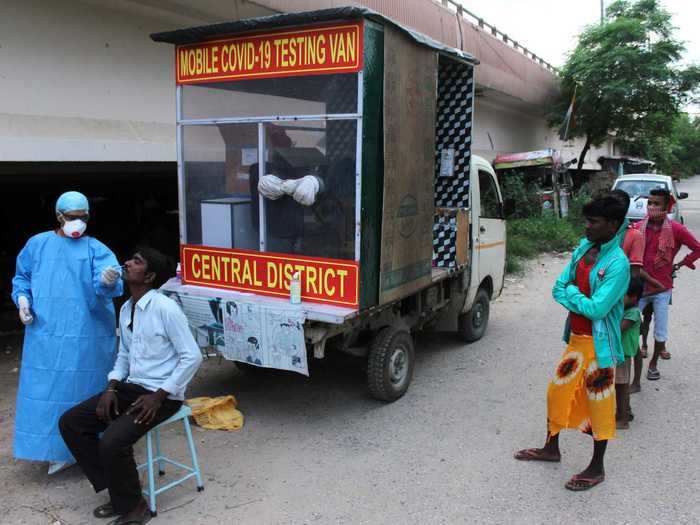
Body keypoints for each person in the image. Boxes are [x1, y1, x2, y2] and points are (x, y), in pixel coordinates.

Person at [59, 247, 203, 525]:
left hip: (163, 395)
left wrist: (159, 396)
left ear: (148, 276)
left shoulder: (165, 308)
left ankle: (135, 508)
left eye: (136, 262)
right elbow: (124, 355)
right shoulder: (127, 308)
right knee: (72, 423)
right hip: (131, 388)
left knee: (113, 440)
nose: (127, 262)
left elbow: (192, 356)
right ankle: (118, 492)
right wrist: (111, 387)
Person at [514, 195, 629, 491]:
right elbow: (557, 287)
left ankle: (597, 467)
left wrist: (573, 294)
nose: (587, 226)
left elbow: (597, 310)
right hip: (577, 340)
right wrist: (580, 296)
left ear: (613, 225)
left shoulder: (618, 263)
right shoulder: (584, 247)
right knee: (557, 392)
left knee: (599, 404)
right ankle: (551, 448)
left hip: (599, 346)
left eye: (594, 222)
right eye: (587, 220)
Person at [11, 191, 123, 474]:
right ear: (59, 217)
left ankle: (89, 445)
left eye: (82, 217)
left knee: (84, 390)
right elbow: (21, 277)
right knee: (45, 391)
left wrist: (108, 281)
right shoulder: (37, 245)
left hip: (88, 336)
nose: (78, 222)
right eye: (72, 217)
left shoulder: (95, 249)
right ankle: (51, 449)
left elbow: (109, 284)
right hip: (45, 334)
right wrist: (23, 300)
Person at [632, 188, 700, 380]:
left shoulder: (677, 229)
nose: (652, 207)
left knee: (661, 329)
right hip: (639, 286)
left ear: (666, 207)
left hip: (662, 287)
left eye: (657, 204)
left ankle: (653, 364)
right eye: (649, 203)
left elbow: (697, 248)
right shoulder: (637, 227)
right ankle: (639, 351)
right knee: (632, 323)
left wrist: (680, 263)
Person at [615, 277, 643, 429]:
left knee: (621, 386)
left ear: (633, 297)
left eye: (622, 295)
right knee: (619, 385)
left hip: (623, 354)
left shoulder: (632, 313)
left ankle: (623, 420)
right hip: (621, 353)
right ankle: (625, 412)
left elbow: (618, 329)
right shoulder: (629, 310)